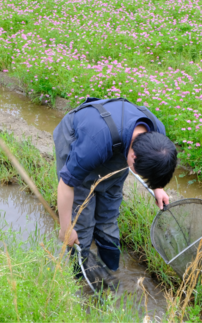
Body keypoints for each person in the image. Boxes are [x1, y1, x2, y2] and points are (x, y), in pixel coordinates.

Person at [53, 97, 177, 283]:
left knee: (108, 217)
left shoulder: (158, 136)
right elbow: (66, 184)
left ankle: (112, 267)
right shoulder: (95, 142)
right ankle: (80, 280)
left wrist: (158, 187)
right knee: (82, 223)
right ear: (133, 155)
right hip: (79, 137)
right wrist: (66, 228)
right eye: (139, 172)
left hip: (115, 146)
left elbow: (155, 165)